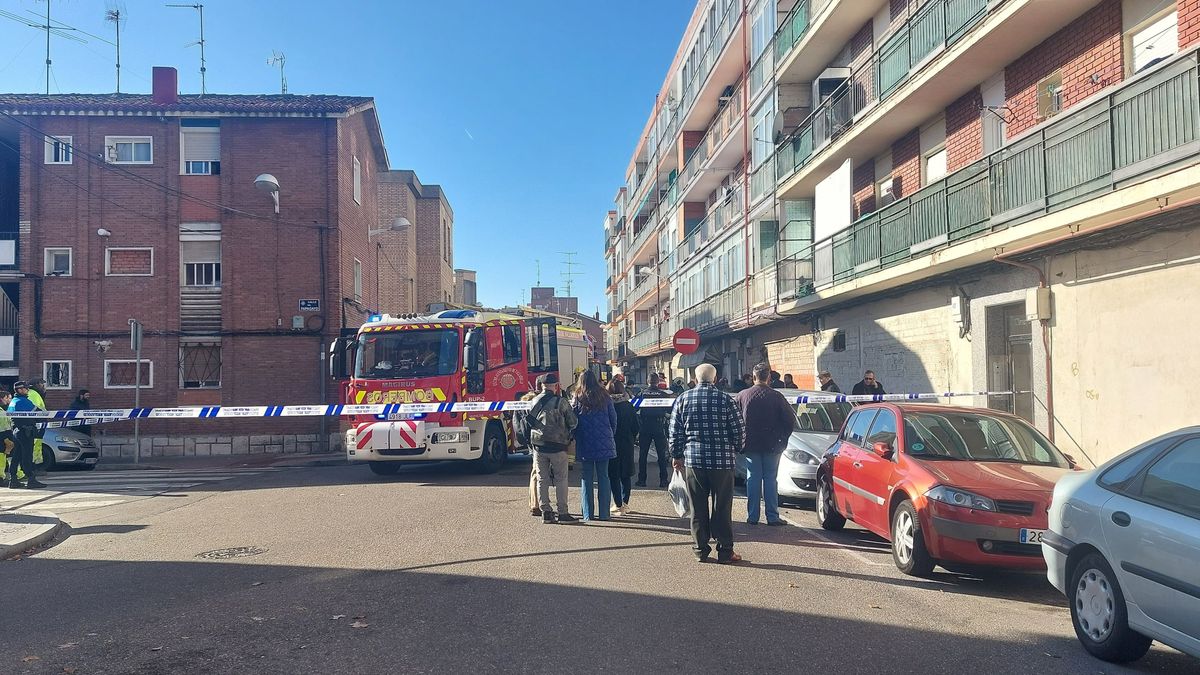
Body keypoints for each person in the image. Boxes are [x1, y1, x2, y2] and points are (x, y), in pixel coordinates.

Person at [669, 363, 745, 564]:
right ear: (715, 378)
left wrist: (676, 455)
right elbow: (739, 430)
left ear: (695, 378)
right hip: (722, 461)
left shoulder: (683, 399)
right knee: (722, 506)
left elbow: (675, 431)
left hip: (694, 460)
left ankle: (700, 550)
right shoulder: (726, 399)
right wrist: (736, 447)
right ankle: (725, 551)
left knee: (697, 506)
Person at [735, 363, 794, 526]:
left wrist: (739, 439)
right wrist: (783, 438)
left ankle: (752, 516)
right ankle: (772, 516)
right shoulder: (777, 396)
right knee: (770, 479)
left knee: (752, 478)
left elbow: (734, 419)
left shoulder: (742, 395)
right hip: (773, 445)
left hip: (750, 444)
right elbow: (790, 420)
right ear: (769, 378)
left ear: (753, 377)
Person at [527, 373, 578, 524]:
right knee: (561, 478)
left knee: (542, 478)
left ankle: (546, 512)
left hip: (538, 445)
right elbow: (573, 422)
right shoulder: (561, 402)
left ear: (541, 386)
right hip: (558, 445)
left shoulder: (533, 400)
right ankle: (562, 513)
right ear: (556, 386)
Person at [572, 370, 616, 522]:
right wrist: (609, 435)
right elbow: (613, 419)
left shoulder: (578, 397)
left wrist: (576, 436)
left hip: (585, 442)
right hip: (605, 441)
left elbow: (573, 421)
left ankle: (588, 514)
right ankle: (604, 513)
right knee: (604, 476)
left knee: (586, 477)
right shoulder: (605, 396)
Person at [606, 380, 639, 516]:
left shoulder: (607, 406)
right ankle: (625, 503)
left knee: (614, 475)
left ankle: (618, 504)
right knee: (626, 474)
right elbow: (636, 426)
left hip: (611, 443)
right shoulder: (628, 406)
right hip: (627, 443)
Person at [635, 373, 672, 488]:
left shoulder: (641, 394)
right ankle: (663, 480)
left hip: (645, 426)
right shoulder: (663, 395)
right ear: (658, 382)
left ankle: (642, 480)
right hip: (658, 426)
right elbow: (670, 411)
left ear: (648, 381)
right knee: (661, 455)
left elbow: (633, 408)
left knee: (643, 454)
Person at [7, 382, 46, 489]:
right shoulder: (23, 401)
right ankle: (31, 478)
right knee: (27, 456)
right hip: (26, 432)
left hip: (17, 431)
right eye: (26, 389)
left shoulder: (13, 401)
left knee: (17, 456)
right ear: (20, 390)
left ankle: (13, 480)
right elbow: (38, 413)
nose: (27, 390)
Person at [0, 391, 16, 479]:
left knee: (11, 456)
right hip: (3, 437)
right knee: (1, 457)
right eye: (8, 398)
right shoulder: (1, 411)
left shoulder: (4, 410)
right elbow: (2, 426)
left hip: (7, 436)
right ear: (2, 399)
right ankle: (1, 477)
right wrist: (5, 439)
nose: (9, 400)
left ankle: (17, 475)